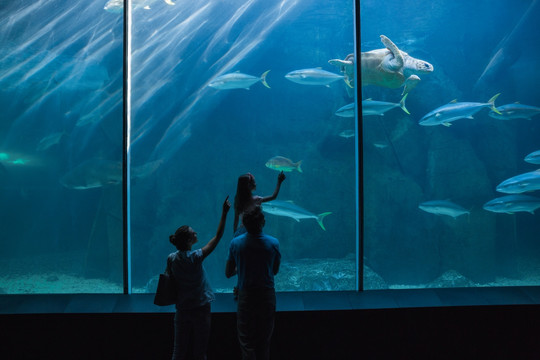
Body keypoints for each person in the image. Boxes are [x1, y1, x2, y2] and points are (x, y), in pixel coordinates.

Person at [166, 196, 231, 360]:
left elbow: (169, 278)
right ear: (189, 240)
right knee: (200, 351)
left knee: (178, 350)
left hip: (182, 308)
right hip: (201, 307)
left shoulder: (171, 258)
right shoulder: (196, 256)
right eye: (193, 232)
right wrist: (224, 213)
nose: (197, 233)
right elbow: (218, 237)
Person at [225, 206, 281, 360]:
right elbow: (274, 270)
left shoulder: (235, 243)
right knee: (264, 340)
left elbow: (228, 273)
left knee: (246, 341)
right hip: (266, 295)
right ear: (263, 221)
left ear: (244, 223)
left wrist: (242, 267)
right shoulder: (273, 243)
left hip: (246, 296)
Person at [233, 171, 285, 236]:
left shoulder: (238, 200)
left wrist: (235, 233)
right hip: (254, 231)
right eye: (254, 182)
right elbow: (273, 196)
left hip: (242, 231)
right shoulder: (256, 199)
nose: (256, 184)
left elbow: (236, 220)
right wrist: (279, 182)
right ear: (248, 186)